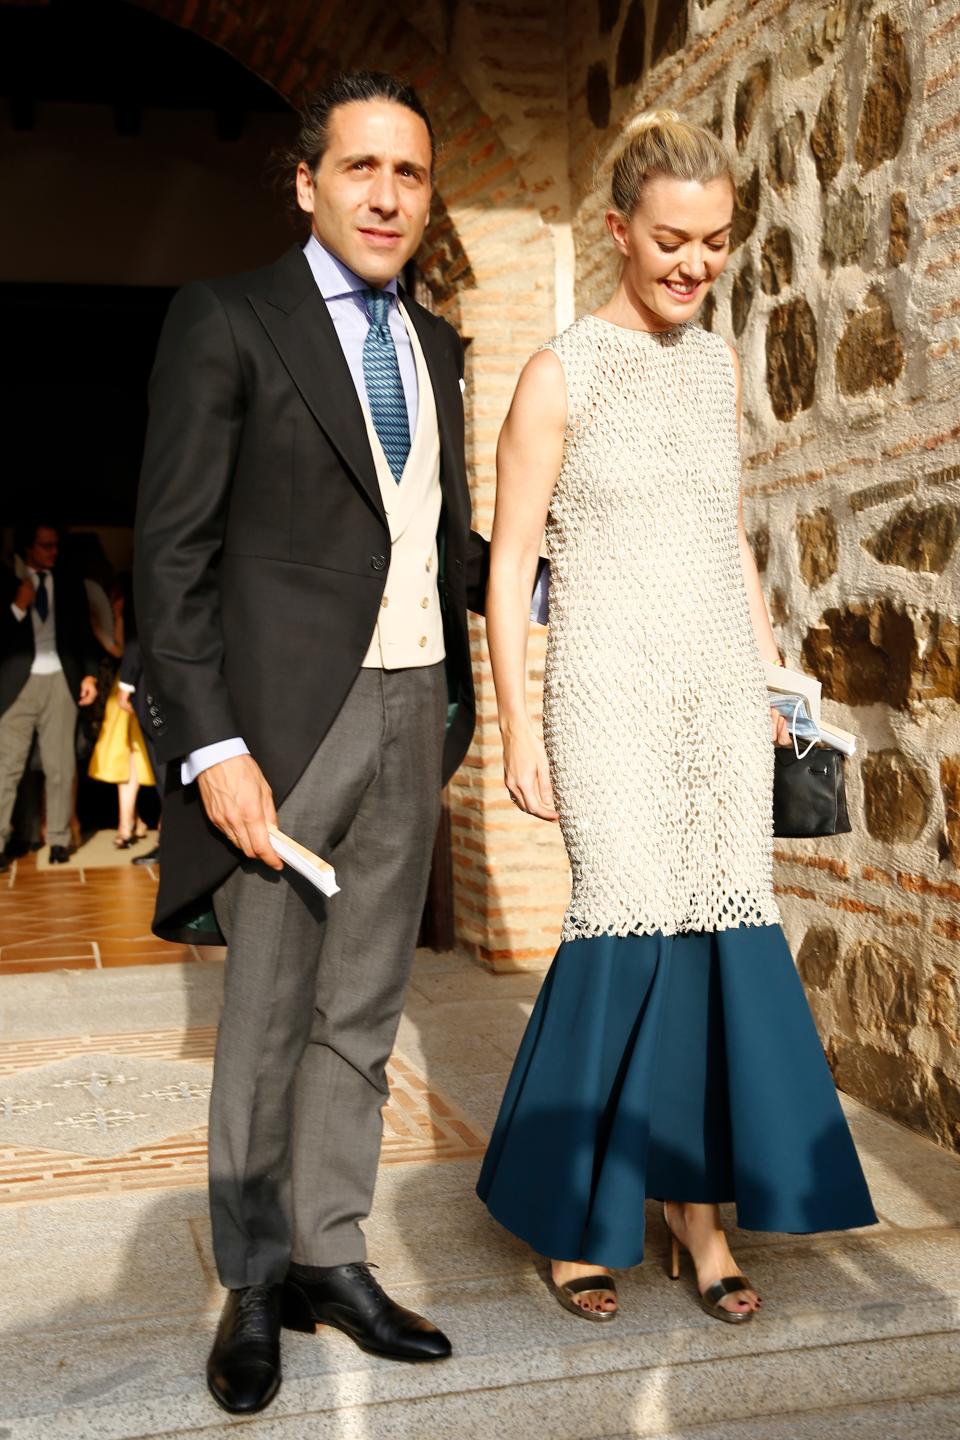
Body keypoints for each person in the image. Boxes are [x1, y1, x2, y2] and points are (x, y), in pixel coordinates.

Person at [134, 71, 496, 1417]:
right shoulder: (226, 320)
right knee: (269, 1014)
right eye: (363, 170)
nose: (390, 195)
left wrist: (550, 573)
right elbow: (171, 562)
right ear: (308, 181)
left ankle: (331, 1256)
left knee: (361, 1012)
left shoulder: (439, 347)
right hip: (281, 733)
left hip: (415, 712)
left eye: (410, 173)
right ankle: (253, 1278)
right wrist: (208, 746)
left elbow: (437, 543)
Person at [477, 111, 877, 1326]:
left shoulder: (714, 366)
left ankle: (700, 1227)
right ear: (616, 232)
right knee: (622, 932)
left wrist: (769, 682)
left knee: (714, 939)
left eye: (714, 241)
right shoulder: (559, 372)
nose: (694, 264)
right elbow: (507, 567)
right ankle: (577, 1220)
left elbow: (726, 541)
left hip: (711, 693)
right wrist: (517, 726)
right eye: (670, 240)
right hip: (604, 693)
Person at [0, 521, 98, 869]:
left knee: (61, 766)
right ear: (28, 548)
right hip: (16, 684)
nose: (53, 552)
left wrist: (90, 674)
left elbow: (84, 631)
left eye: (55, 545)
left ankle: (58, 839)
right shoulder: (7, 580)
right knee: (6, 767)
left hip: (61, 678)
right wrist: (17, 607)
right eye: (45, 546)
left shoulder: (68, 582)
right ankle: (2, 841)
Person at [88, 579, 155, 848]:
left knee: (147, 755)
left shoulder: (143, 604)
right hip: (124, 686)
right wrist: (111, 618)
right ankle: (127, 822)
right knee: (123, 755)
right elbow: (119, 649)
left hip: (139, 687)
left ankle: (134, 822)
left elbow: (125, 647)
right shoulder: (121, 611)